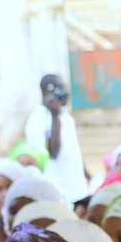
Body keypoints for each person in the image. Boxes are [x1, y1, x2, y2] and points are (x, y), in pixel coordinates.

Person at [24, 74, 88, 202]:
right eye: (59, 90)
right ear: (47, 92)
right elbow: (53, 154)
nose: (64, 95)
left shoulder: (64, 116)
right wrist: (54, 117)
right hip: (58, 194)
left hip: (77, 191)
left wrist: (88, 177)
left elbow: (72, 151)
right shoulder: (37, 119)